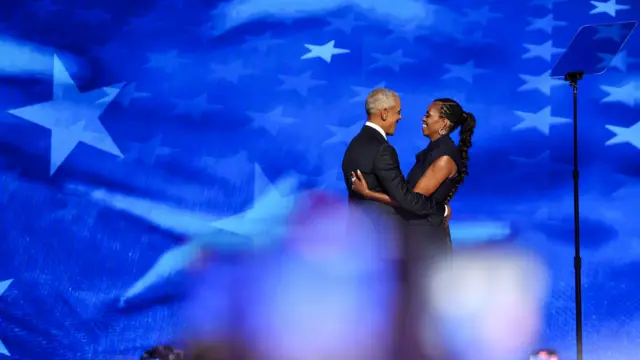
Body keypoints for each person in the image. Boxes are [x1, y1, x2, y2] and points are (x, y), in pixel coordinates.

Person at [350, 97, 476, 360]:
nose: (422, 118)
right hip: (417, 239)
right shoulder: (432, 154)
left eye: (428, 114)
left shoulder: (443, 158)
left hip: (426, 245)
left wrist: (369, 193)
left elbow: (410, 201)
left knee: (424, 316)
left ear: (443, 123)